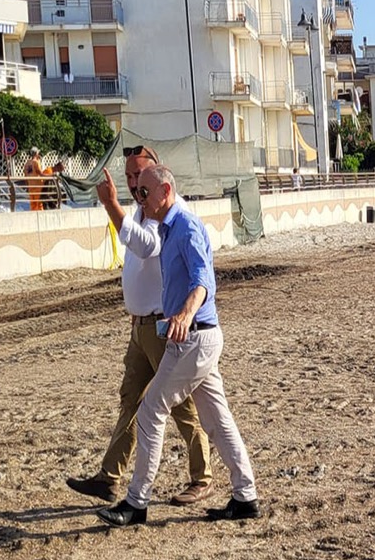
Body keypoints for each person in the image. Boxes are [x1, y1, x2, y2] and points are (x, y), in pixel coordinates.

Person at [95, 164, 261, 527]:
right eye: (136, 193)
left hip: (195, 336)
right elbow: (143, 244)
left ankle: (136, 503)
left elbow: (203, 280)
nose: (139, 199)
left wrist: (185, 313)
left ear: (165, 192)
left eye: (144, 193)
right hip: (197, 337)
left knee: (151, 410)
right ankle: (245, 496)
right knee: (217, 419)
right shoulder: (169, 229)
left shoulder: (185, 226)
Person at [68, 147, 214, 506]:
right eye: (131, 176)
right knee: (129, 400)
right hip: (141, 327)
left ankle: (202, 476)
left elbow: (146, 246)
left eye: (140, 177)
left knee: (180, 407)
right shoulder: (142, 211)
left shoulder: (164, 217)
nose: (135, 184)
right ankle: (110, 476)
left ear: (159, 179)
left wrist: (111, 207)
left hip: (163, 327)